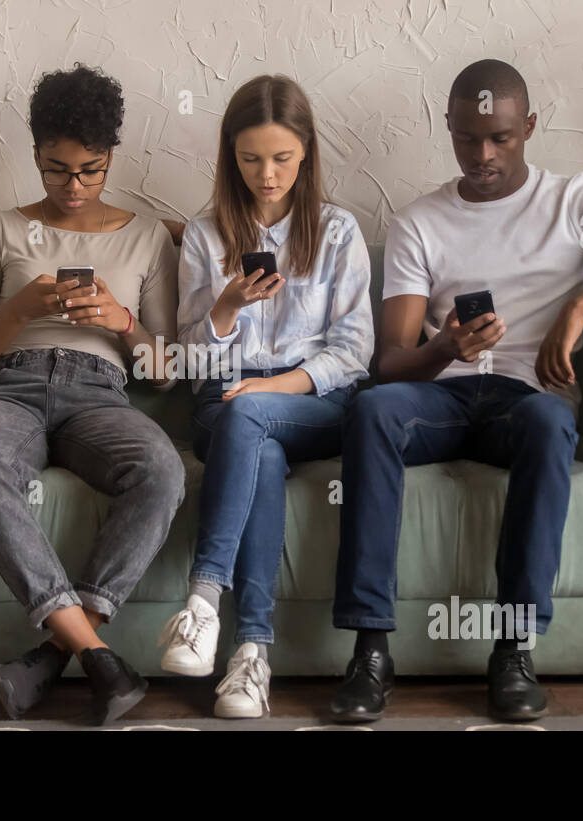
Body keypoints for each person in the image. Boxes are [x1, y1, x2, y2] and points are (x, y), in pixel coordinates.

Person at [329, 59, 583, 723]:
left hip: (528, 398)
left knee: (547, 423)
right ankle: (371, 649)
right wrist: (444, 346)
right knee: (373, 408)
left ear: (528, 127)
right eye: (468, 138)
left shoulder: (576, 203)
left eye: (501, 137)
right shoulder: (421, 222)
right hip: (442, 400)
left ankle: (513, 649)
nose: (484, 154)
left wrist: (581, 303)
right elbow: (391, 363)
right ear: (447, 128)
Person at [0, 64, 185, 726]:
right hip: (9, 385)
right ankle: (98, 655)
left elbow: (165, 370)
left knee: (162, 470)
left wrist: (122, 321)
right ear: (34, 155)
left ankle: (54, 654)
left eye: (90, 170)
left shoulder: (145, 238)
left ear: (112, 157)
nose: (73, 187)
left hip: (100, 393)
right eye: (55, 169)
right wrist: (19, 309)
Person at [157, 75, 373, 719]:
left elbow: (355, 351)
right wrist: (224, 307)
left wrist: (272, 387)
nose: (267, 174)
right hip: (225, 403)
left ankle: (201, 603)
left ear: (305, 151)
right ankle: (251, 656)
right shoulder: (204, 234)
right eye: (250, 159)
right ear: (230, 156)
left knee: (251, 414)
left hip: (314, 403)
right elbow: (193, 360)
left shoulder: (336, 232)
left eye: (281, 158)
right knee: (260, 448)